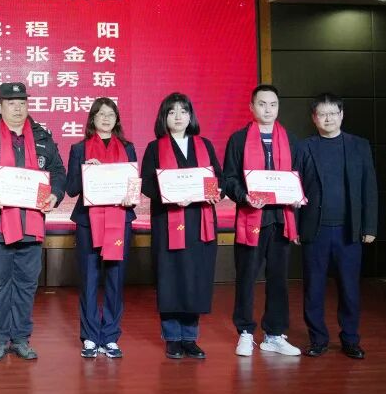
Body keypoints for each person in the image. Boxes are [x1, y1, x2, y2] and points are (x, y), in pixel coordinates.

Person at [0, 82, 66, 361]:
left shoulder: (42, 137)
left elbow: (58, 171)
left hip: (31, 226)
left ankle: (20, 338)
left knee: (26, 285)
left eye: (22, 103)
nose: (18, 108)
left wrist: (55, 194)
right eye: (11, 103)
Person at [222, 84, 310, 357]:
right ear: (251, 107)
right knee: (246, 277)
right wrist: (245, 196)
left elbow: (299, 176)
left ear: (278, 107)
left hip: (281, 220)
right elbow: (228, 179)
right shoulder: (238, 140)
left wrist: (297, 196)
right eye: (262, 104)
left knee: (279, 280)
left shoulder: (291, 140)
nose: (268, 109)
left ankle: (274, 334)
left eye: (273, 104)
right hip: (251, 219)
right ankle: (245, 332)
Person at [140, 93, 223, 359]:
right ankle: (172, 337)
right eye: (172, 111)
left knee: (195, 277)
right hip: (168, 221)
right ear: (164, 117)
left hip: (199, 222)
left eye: (183, 111)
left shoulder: (204, 145)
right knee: (170, 277)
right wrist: (171, 196)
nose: (178, 116)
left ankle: (190, 337)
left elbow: (217, 179)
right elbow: (147, 185)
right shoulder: (155, 148)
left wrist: (212, 192)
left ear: (191, 116)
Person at [299, 93, 377, 359]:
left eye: (333, 113)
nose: (328, 118)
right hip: (315, 229)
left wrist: (370, 227)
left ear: (342, 115)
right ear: (314, 118)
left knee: (350, 288)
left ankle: (350, 339)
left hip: (349, 230)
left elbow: (369, 188)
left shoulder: (359, 146)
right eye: (322, 114)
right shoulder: (304, 147)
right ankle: (318, 339)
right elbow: (295, 187)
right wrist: (294, 226)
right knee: (314, 288)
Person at [66, 97, 137, 359]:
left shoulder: (128, 148)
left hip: (120, 219)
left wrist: (130, 197)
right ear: (92, 118)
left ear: (117, 119)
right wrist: (87, 170)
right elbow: (71, 188)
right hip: (88, 222)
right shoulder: (79, 149)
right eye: (101, 114)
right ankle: (90, 336)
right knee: (89, 279)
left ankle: (110, 336)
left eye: (111, 114)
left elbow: (133, 186)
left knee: (115, 279)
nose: (106, 119)